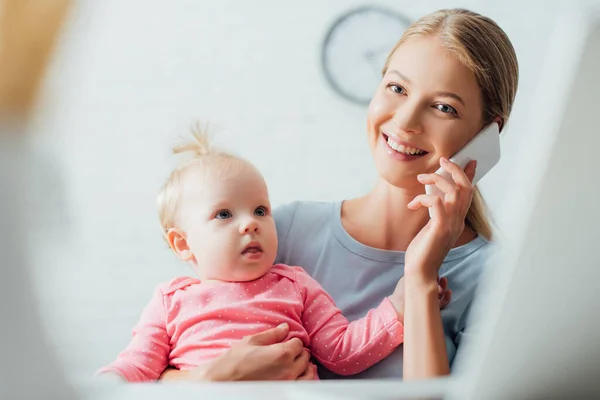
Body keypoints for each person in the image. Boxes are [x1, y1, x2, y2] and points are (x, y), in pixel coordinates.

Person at [160, 7, 519, 381]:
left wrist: (421, 277)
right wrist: (212, 378)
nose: (406, 121)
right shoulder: (282, 232)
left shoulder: (495, 278)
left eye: (443, 107)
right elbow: (159, 369)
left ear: (487, 136)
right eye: (397, 88)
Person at [97, 130, 451, 382]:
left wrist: (401, 305)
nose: (250, 224)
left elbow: (342, 353)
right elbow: (137, 368)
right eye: (224, 214)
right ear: (183, 244)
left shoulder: (294, 283)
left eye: (260, 210)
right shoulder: (170, 301)